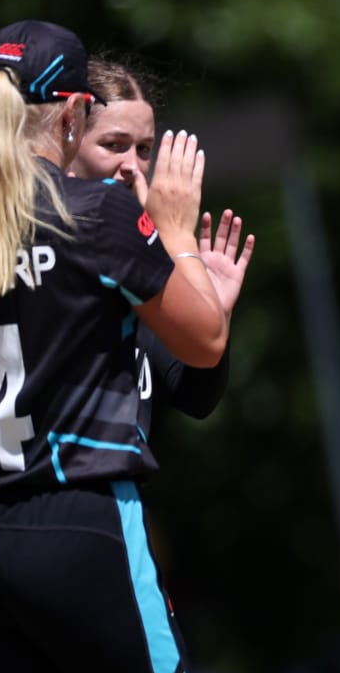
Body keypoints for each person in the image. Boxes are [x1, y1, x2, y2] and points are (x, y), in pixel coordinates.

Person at [0, 20, 228, 673]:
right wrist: (174, 235)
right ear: (74, 112)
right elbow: (205, 343)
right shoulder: (99, 213)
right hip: (79, 522)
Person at [68, 57, 255, 434]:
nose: (132, 166)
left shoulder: (138, 253)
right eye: (113, 145)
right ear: (67, 137)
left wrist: (211, 308)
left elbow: (194, 397)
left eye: (143, 149)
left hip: (116, 488)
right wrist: (176, 236)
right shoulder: (49, 243)